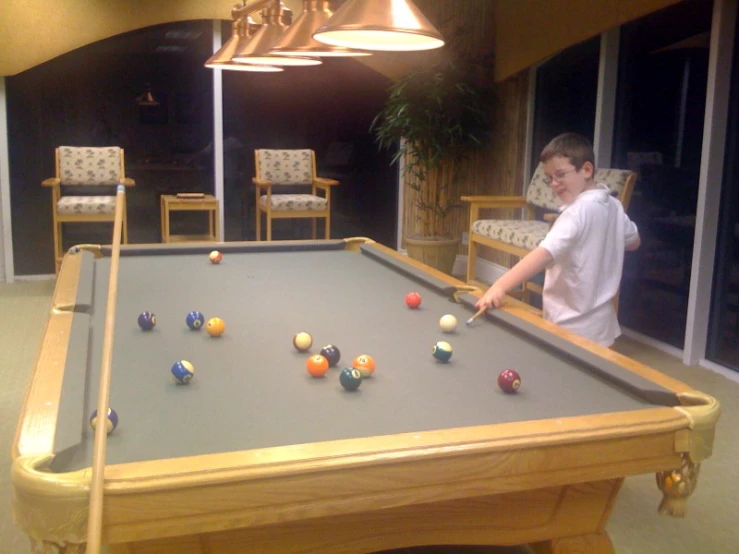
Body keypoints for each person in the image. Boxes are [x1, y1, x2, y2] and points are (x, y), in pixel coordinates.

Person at [475, 133, 640, 347]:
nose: (554, 183)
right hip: (602, 329)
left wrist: (498, 287)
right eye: (550, 177)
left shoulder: (575, 213)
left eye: (560, 174)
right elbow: (634, 241)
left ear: (587, 170)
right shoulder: (614, 206)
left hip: (569, 328)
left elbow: (542, 255)